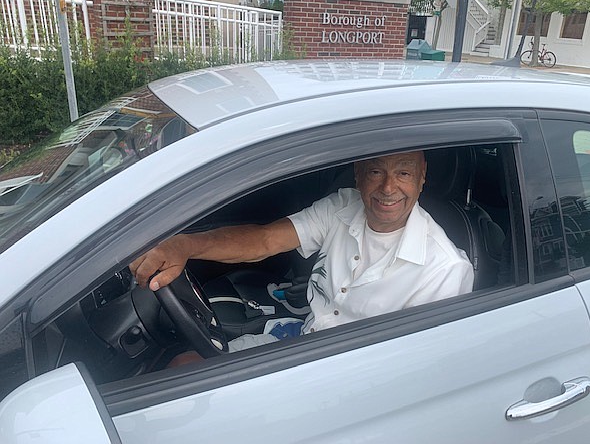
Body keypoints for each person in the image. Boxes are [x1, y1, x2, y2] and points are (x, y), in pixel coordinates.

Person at [130, 151, 474, 353]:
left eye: (403, 173)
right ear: (358, 175)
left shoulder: (444, 270)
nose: (388, 188)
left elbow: (410, 371)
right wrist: (186, 245)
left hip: (341, 384)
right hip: (302, 337)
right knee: (186, 364)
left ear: (422, 178)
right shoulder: (343, 206)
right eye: (375, 172)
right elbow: (263, 241)